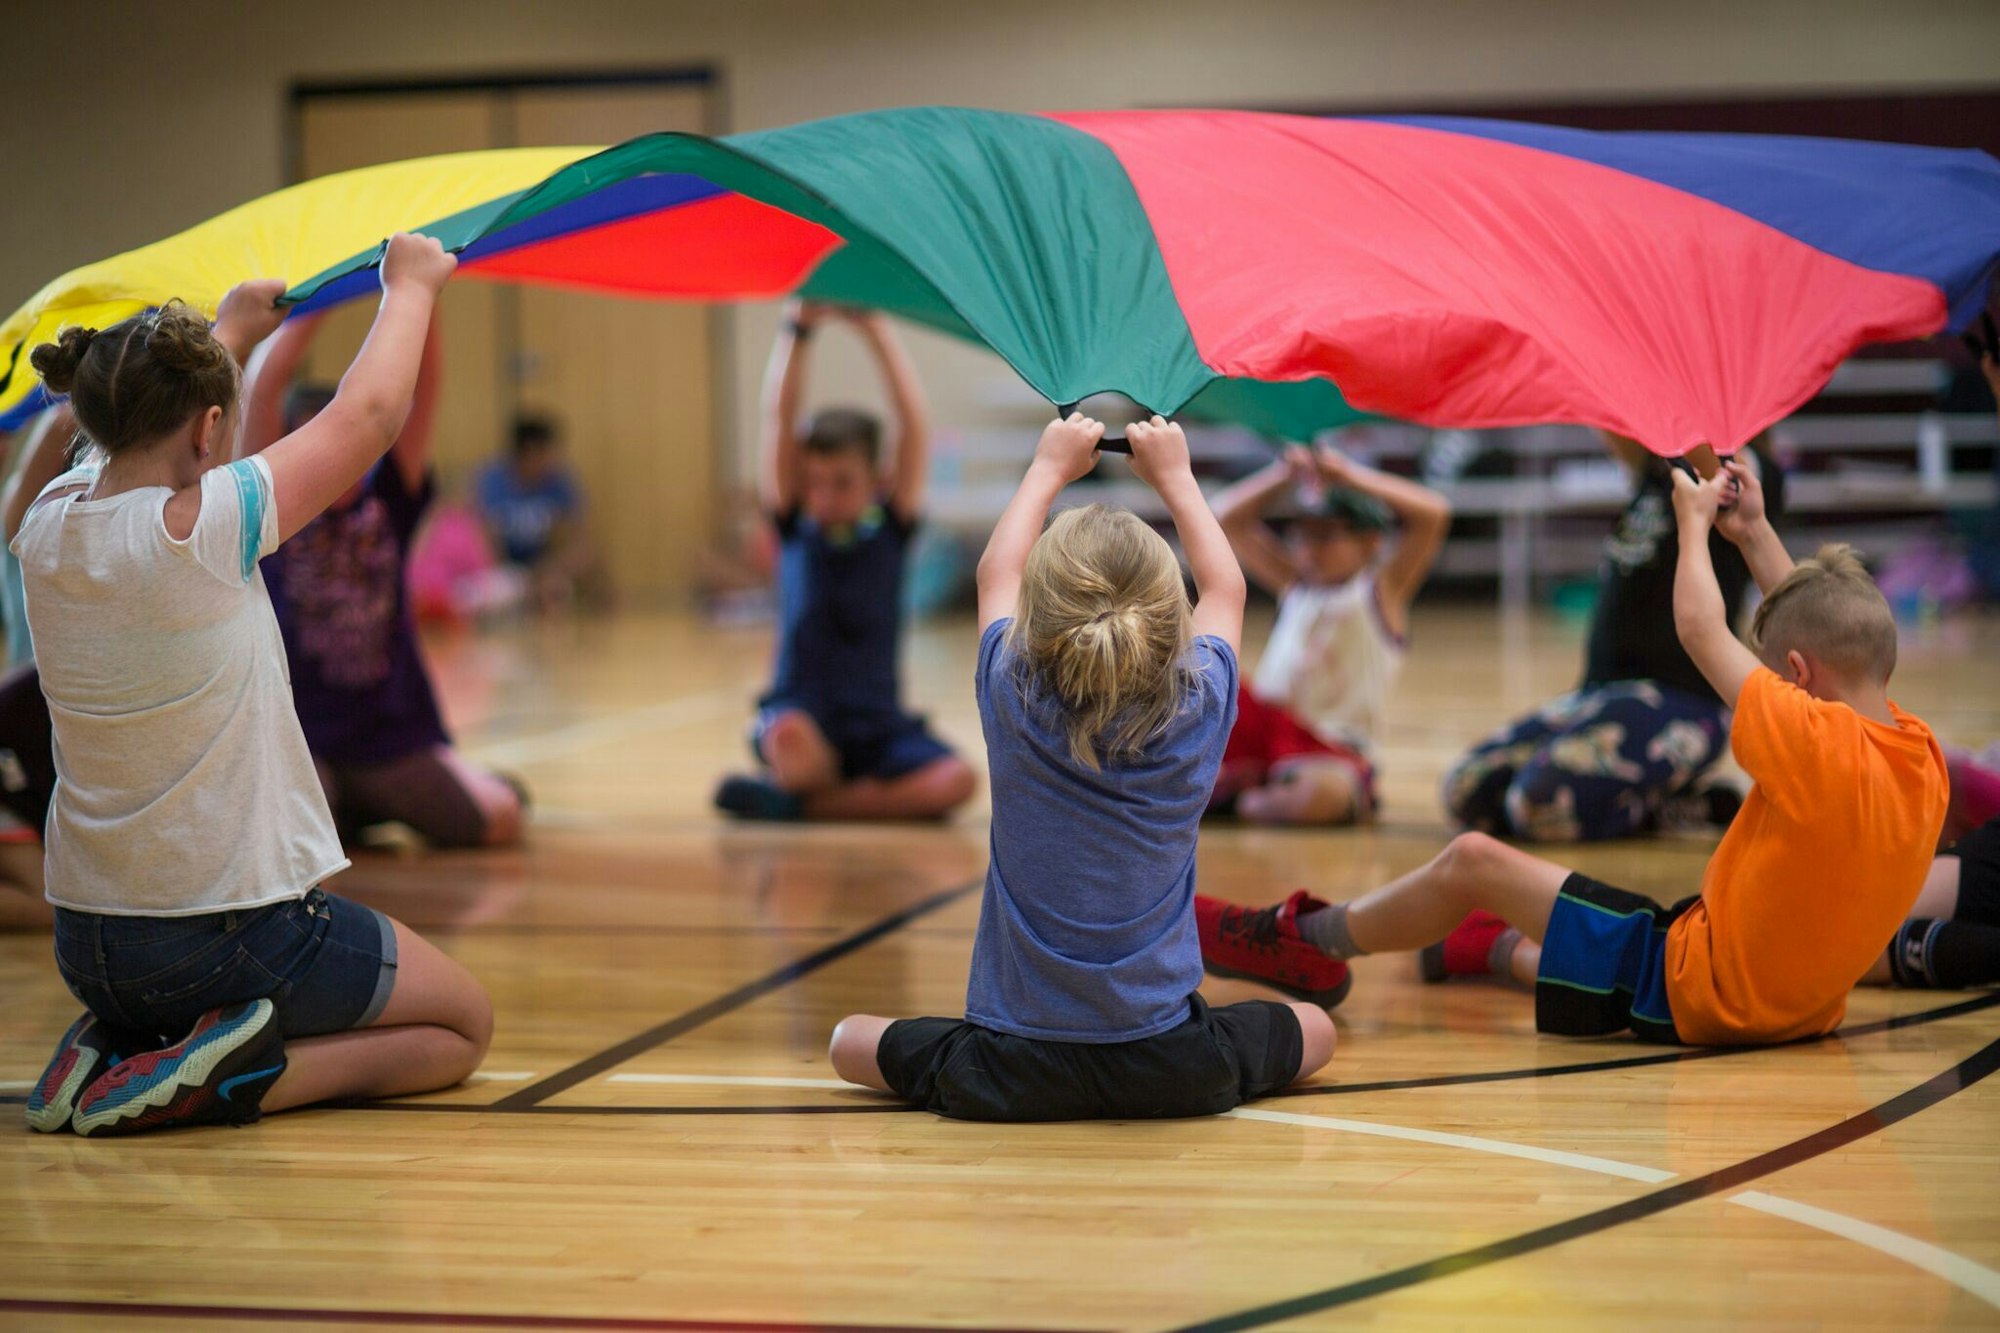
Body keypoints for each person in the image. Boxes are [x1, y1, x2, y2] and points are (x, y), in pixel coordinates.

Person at [1199, 455, 1948, 1047]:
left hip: (1702, 992)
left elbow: (1699, 629)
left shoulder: (1815, 740)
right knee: (1603, 941)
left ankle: (1301, 941)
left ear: (1795, 677)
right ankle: (1481, 949)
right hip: (1798, 1007)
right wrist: (1752, 532)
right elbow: (1816, 625)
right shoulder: (1920, 756)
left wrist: (1692, 526)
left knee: (1472, 859)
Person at [19, 238, 493, 1138]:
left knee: (166, 980)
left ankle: (117, 1041)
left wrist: (228, 334)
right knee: (462, 1025)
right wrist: (412, 287)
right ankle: (231, 1072)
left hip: (87, 941)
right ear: (207, 428)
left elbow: (120, 448)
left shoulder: (45, 523)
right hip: (224, 938)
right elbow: (372, 413)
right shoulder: (204, 523)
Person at [828, 414, 1335, 1119]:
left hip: (1008, 1066)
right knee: (1317, 1027)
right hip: (1170, 1063)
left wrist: (1047, 467)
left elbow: (995, 572)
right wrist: (1177, 479)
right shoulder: (1198, 706)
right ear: (1166, 617)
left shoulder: (1011, 690)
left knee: (847, 1041)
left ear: (1040, 613)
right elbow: (1227, 591)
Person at [242, 313, 525, 849]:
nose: (329, 459)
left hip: (387, 741)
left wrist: (422, 303)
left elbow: (424, 391)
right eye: (309, 442)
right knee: (295, 844)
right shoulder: (270, 508)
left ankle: (376, 806)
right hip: (303, 744)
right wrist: (318, 302)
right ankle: (349, 817)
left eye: (340, 441)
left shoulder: (387, 504)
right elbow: (262, 385)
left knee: (499, 819)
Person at [1443, 432, 1785, 842]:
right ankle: (1651, 797)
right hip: (1601, 695)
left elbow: (1699, 440)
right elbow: (1613, 411)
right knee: (1467, 791)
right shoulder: (1658, 471)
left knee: (1539, 805)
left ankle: (1672, 808)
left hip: (1683, 701)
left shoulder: (1743, 475)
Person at [712, 302, 975, 822]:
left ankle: (807, 806)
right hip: (805, 719)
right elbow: (778, 419)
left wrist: (877, 328)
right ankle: (831, 796)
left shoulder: (891, 530)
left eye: (842, 483)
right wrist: (798, 330)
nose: (824, 496)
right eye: (814, 482)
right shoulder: (795, 528)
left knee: (958, 780)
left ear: (875, 480)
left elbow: (912, 424)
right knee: (787, 740)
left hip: (877, 725)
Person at [1208, 442, 1451, 824]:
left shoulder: (1378, 591)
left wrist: (1348, 475)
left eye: (1325, 536)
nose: (1308, 550)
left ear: (1371, 542)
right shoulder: (1295, 586)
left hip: (1330, 748)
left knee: (1324, 796)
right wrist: (1284, 474)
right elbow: (1224, 515)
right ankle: (1243, 789)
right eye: (1301, 536)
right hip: (1269, 734)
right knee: (1210, 686)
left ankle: (1234, 796)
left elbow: (1434, 513)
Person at [473, 414, 604, 610]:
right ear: (529, 451)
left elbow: (582, 544)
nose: (552, 460)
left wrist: (553, 568)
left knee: (563, 584)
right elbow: (482, 539)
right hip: (503, 570)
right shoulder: (493, 481)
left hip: (544, 566)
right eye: (547, 453)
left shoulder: (559, 481)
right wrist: (520, 577)